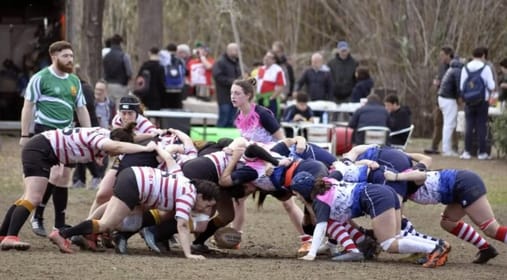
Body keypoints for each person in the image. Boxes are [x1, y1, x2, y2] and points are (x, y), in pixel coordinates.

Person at [0, 125, 157, 251]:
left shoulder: (105, 132)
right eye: (113, 153)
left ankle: (3, 235)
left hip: (41, 147)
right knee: (33, 197)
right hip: (41, 150)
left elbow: (124, 139)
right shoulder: (100, 139)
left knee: (27, 197)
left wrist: (153, 134)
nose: (110, 155)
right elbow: (117, 145)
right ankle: (11, 237)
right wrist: (145, 149)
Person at [48, 144, 219, 259]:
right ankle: (64, 234)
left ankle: (86, 233)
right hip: (135, 185)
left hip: (133, 177)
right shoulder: (188, 195)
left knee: (122, 218)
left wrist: (157, 147)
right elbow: (182, 225)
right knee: (107, 223)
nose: (205, 210)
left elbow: (169, 159)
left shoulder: (183, 180)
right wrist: (188, 254)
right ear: (201, 195)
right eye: (208, 205)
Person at [19, 41, 92, 238]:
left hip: (68, 135)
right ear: (54, 57)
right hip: (46, 132)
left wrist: (88, 135)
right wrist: (25, 135)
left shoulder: (75, 81)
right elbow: (28, 106)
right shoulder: (40, 78)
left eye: (71, 56)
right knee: (52, 175)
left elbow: (81, 109)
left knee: (64, 177)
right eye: (65, 56)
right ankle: (38, 217)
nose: (70, 59)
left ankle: (59, 225)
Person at [298, 175, 451, 268]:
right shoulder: (326, 182)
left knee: (388, 243)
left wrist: (311, 254)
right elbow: (338, 219)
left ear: (304, 192)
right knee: (397, 235)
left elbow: (321, 227)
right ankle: (438, 245)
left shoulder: (320, 201)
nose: (297, 197)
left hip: (375, 196)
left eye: (297, 194)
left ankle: (434, 249)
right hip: (383, 191)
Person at [384, 168, 505, 264]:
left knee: (491, 229)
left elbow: (421, 174)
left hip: (464, 184)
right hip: (457, 188)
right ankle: (486, 249)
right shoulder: (398, 184)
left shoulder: (399, 183)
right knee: (448, 222)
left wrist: (396, 176)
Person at [459, 47, 496, 160]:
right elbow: (491, 86)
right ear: (483, 56)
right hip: (482, 101)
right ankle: (482, 152)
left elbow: (461, 86)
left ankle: (467, 151)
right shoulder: (486, 68)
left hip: (469, 101)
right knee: (481, 126)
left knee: (469, 126)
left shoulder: (466, 67)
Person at [232, 78, 285, 142]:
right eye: (231, 93)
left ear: (248, 95)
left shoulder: (262, 114)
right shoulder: (238, 114)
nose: (232, 96)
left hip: (269, 150)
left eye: (237, 93)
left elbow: (282, 139)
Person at [424, 46, 454, 155]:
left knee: (451, 123)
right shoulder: (441, 67)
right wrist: (437, 81)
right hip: (440, 99)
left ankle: (453, 146)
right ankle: (434, 145)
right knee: (438, 122)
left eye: (442, 55)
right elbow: (440, 78)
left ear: (448, 54)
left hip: (450, 98)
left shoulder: (454, 66)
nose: (441, 57)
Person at [438, 57, 463, 156]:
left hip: (443, 98)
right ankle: (446, 149)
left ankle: (446, 148)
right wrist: (460, 97)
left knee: (448, 124)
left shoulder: (450, 69)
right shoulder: (457, 71)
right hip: (448, 99)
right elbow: (458, 86)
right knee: (449, 124)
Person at [212, 43, 241, 127]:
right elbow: (218, 77)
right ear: (228, 50)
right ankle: (219, 137)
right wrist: (232, 81)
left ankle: (228, 139)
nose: (235, 52)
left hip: (235, 96)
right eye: (233, 50)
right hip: (224, 95)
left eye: (236, 50)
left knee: (232, 119)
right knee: (224, 117)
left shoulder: (237, 63)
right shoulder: (220, 62)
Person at [102, 34, 133, 109]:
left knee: (109, 109)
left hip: (108, 85)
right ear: (120, 43)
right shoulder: (124, 56)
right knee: (120, 109)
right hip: (121, 86)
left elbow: (103, 71)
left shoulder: (106, 56)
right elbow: (129, 72)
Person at [256, 50, 286, 118]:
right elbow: (255, 81)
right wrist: (246, 81)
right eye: (266, 56)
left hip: (271, 99)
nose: (266, 58)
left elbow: (280, 86)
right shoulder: (261, 69)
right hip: (261, 98)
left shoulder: (278, 70)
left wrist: (272, 98)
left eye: (269, 57)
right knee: (261, 119)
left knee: (271, 119)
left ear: (274, 60)